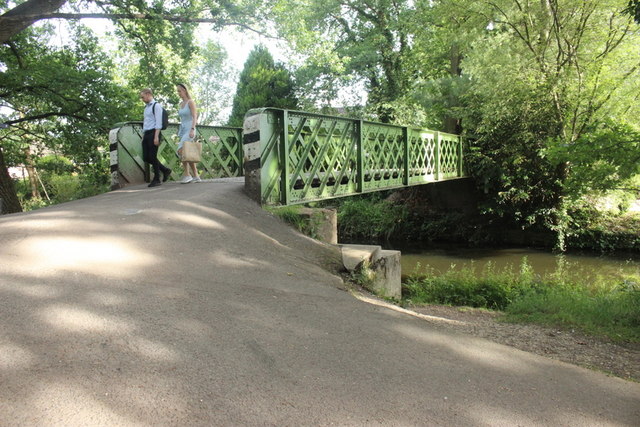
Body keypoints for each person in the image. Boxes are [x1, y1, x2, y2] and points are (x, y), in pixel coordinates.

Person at [139, 88, 171, 187]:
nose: (142, 99)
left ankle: (157, 179)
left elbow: (158, 122)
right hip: (147, 133)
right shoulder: (146, 108)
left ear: (148, 94)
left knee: (152, 156)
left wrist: (156, 137)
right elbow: (146, 123)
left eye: (143, 97)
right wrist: (143, 136)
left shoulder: (156, 106)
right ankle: (165, 170)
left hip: (154, 133)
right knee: (146, 157)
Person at [176, 83, 201, 184]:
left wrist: (192, 129)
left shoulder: (190, 102)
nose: (178, 93)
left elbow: (195, 116)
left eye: (179, 91)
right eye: (177, 91)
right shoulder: (181, 104)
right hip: (183, 128)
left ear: (185, 90)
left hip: (190, 128)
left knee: (181, 150)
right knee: (187, 152)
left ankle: (187, 175)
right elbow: (182, 119)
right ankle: (196, 175)